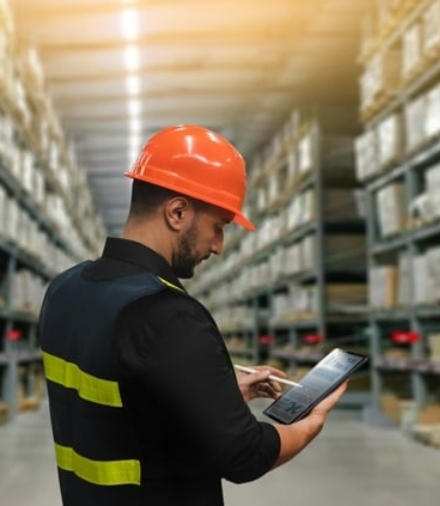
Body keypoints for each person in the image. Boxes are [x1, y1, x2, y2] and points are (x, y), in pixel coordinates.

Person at [37, 125, 347, 506]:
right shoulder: (168, 315)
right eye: (218, 227)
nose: (218, 246)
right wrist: (309, 424)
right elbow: (244, 455)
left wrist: (212, 394)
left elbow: (122, 402)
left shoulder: (65, 289)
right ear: (178, 212)